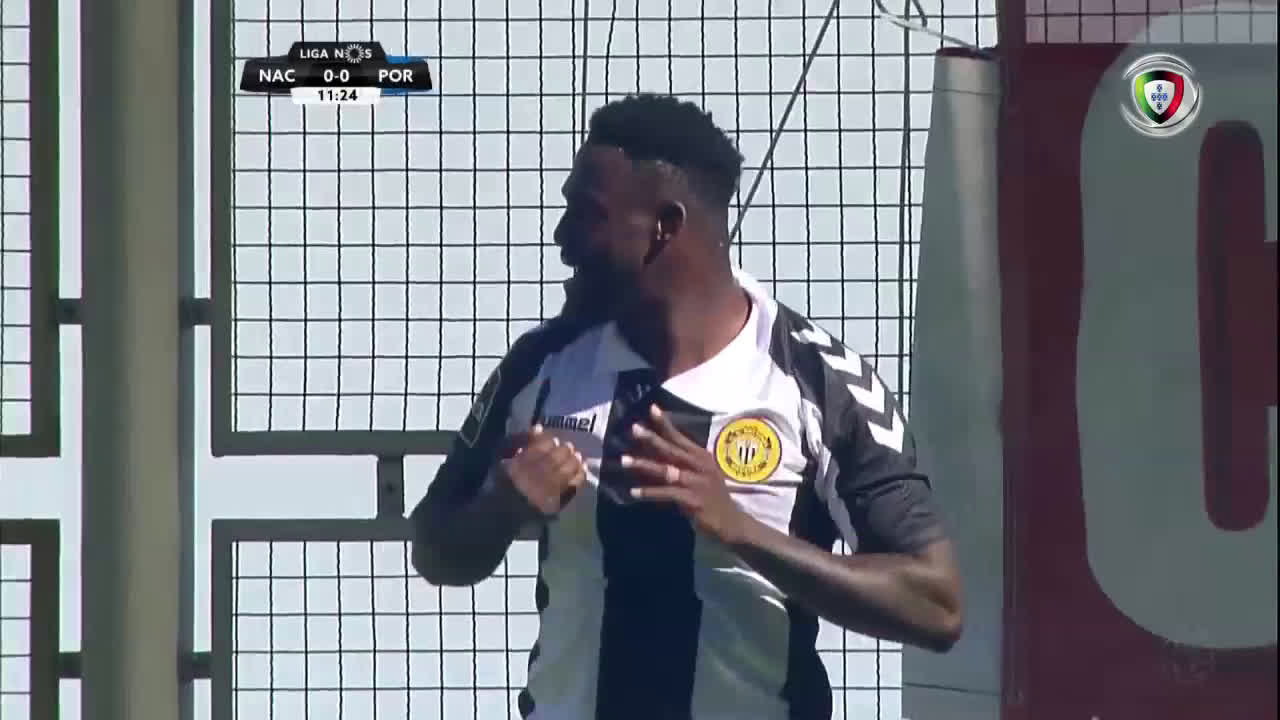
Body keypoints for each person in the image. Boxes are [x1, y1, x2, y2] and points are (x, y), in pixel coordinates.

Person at [410, 93, 963, 720]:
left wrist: (742, 531)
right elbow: (433, 548)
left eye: (587, 215)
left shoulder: (819, 382)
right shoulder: (542, 364)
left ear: (664, 227)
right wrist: (502, 506)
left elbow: (937, 605)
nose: (562, 239)